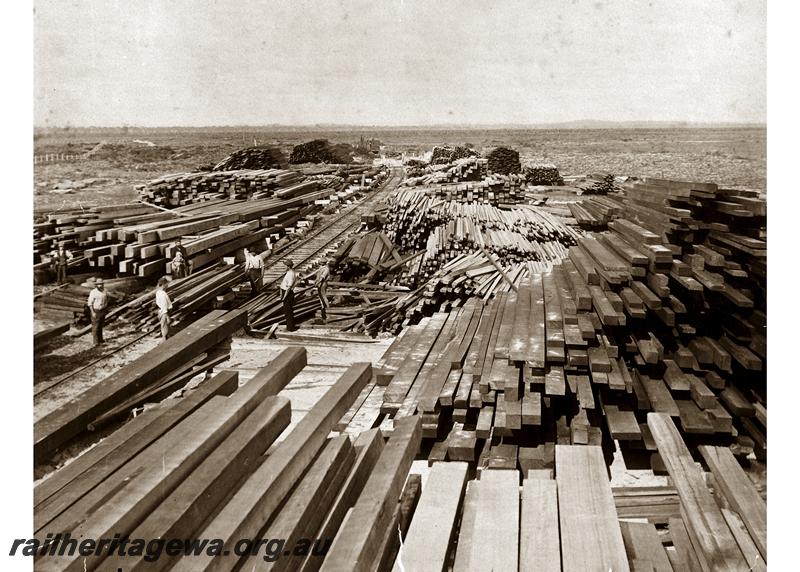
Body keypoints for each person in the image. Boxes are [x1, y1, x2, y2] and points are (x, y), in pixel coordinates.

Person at [87, 278, 109, 346]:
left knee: (101, 325)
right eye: (98, 284)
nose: (100, 285)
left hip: (103, 310)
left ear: (103, 284)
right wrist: (93, 312)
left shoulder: (105, 290)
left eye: (101, 284)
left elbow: (107, 298)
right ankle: (95, 342)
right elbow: (90, 303)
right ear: (96, 285)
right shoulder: (93, 292)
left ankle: (100, 339)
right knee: (95, 326)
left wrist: (106, 305)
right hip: (96, 310)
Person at [280, 260, 298, 332]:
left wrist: (284, 296)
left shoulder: (291, 274)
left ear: (288, 266)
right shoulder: (290, 272)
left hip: (288, 293)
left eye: (285, 265)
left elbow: (289, 287)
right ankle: (289, 326)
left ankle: (290, 328)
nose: (284, 267)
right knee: (287, 311)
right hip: (287, 293)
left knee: (288, 312)